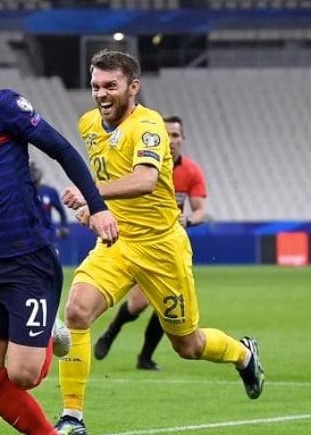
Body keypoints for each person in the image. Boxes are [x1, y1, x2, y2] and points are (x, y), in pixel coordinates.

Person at [54, 50, 265, 435]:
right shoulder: (88, 124)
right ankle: (72, 417)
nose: (100, 94)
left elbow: (145, 180)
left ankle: (243, 355)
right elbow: (112, 179)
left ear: (133, 87)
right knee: (77, 313)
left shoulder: (148, 125)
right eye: (95, 86)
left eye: (110, 86)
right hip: (118, 243)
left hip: (162, 248)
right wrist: (95, 210)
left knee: (188, 346)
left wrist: (90, 195)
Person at [0, 31, 117, 435]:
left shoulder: (3, 106)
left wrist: (97, 206)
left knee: (24, 375)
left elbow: (62, 149)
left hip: (26, 256)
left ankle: (46, 330)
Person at [94, 115, 208, 371]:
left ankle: (145, 357)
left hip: (167, 244)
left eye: (175, 135)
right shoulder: (140, 165)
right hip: (136, 241)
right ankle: (111, 332)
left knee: (165, 308)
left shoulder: (191, 171)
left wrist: (188, 220)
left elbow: (201, 209)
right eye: (166, 134)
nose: (171, 140)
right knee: (137, 304)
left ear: (183, 139)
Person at [30, 161, 70, 240]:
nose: (33, 175)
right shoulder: (22, 192)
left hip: (47, 234)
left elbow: (61, 211)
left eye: (35, 172)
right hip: (29, 235)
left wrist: (64, 226)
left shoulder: (49, 191)